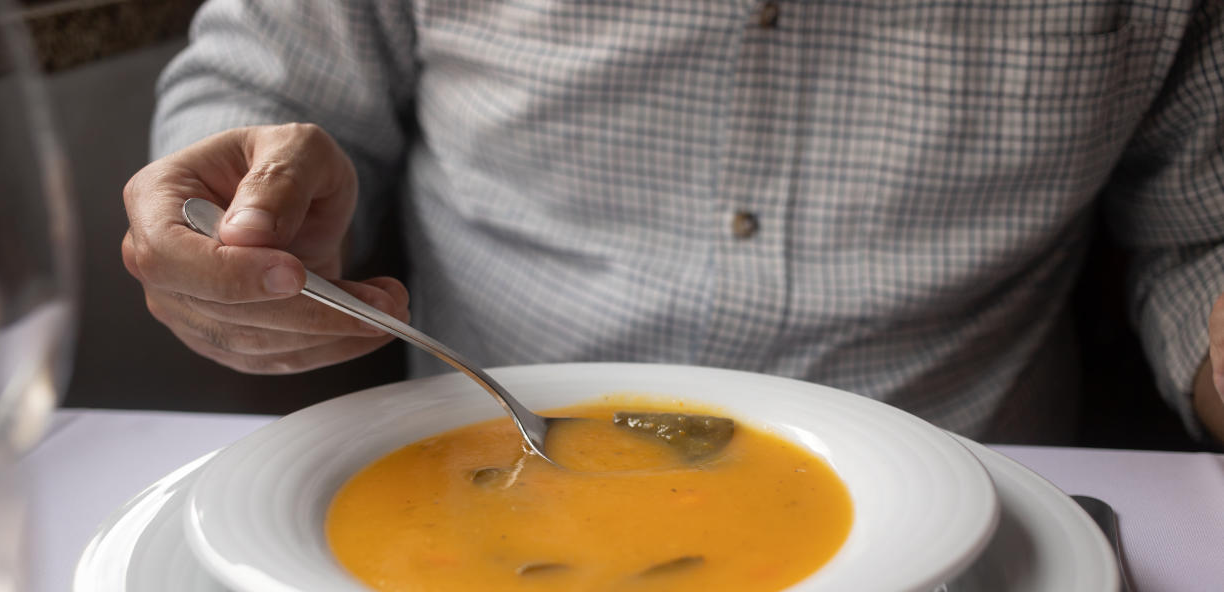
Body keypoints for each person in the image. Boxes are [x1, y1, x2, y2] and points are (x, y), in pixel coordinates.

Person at [121, 0, 1224, 444]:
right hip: (469, 473)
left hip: (980, 535)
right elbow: (264, 81)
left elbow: (1198, 233)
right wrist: (234, 223)